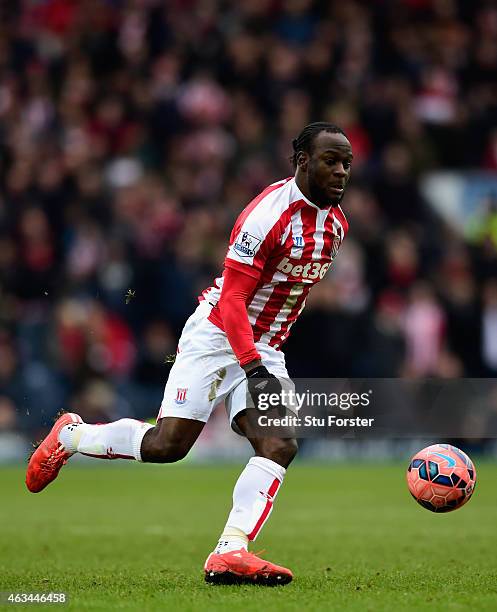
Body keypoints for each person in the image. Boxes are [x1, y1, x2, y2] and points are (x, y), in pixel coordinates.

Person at [26, 122, 353, 586]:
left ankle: (230, 550)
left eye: (346, 163)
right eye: (330, 161)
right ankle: (72, 436)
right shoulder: (265, 216)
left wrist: (265, 356)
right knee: (167, 447)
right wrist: (253, 365)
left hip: (266, 346)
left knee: (279, 442)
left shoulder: (337, 224)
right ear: (302, 161)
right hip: (217, 334)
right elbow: (234, 300)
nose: (341, 171)